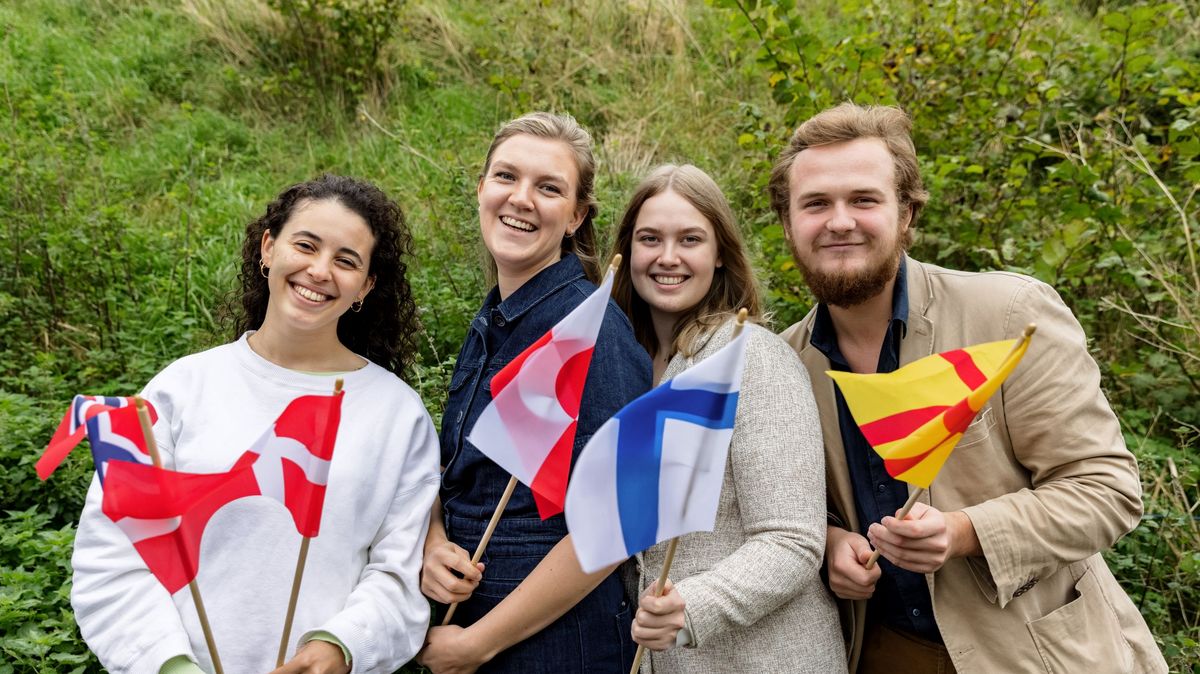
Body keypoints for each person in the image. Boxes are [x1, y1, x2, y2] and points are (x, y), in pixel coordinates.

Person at [771, 102, 1167, 672]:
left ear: (906, 213)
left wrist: (964, 532)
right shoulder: (785, 363)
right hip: (882, 652)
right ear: (787, 223)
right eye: (815, 204)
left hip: (1036, 652)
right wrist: (830, 544)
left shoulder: (1010, 315)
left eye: (863, 199)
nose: (839, 221)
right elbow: (795, 507)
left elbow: (1106, 490)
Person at [70, 175, 441, 674]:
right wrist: (168, 665)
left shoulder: (398, 414)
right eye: (305, 245)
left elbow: (399, 573)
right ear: (269, 248)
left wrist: (339, 647)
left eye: (346, 260)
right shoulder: (180, 387)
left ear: (366, 286)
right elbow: (112, 553)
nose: (319, 270)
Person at [417, 111, 652, 673]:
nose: (521, 198)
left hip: (554, 644)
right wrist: (433, 545)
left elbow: (616, 520)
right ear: (481, 189)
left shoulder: (590, 330)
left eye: (549, 188)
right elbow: (462, 479)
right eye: (506, 177)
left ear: (575, 216)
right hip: (471, 621)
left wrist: (480, 643)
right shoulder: (496, 314)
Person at [612, 164, 845, 672]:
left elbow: (792, 540)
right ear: (627, 251)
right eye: (650, 238)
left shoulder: (751, 357)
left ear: (719, 255)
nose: (667, 257)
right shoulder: (625, 364)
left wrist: (692, 606)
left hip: (763, 659)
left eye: (690, 239)